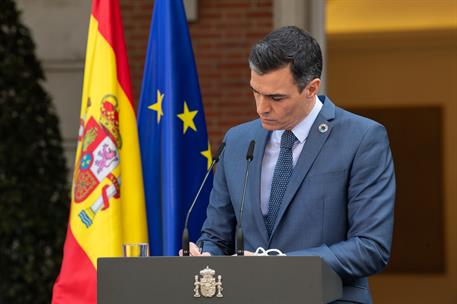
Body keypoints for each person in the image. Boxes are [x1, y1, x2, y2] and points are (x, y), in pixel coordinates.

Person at [184, 26, 396, 303]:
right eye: (255, 92)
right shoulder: (236, 141)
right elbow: (216, 235)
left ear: (311, 88)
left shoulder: (363, 138)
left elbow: (371, 248)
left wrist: (280, 265)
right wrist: (207, 255)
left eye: (276, 98)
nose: (261, 107)